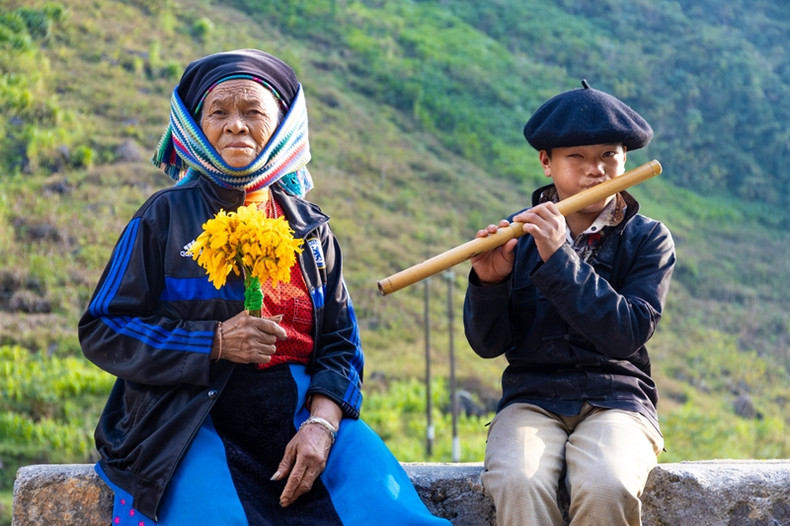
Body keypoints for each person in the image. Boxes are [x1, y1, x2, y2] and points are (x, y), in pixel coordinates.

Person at [79, 48, 450, 526]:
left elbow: (340, 344)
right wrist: (213, 342)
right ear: (196, 126)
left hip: (301, 412)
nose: (236, 125)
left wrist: (322, 425)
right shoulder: (163, 218)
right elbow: (103, 327)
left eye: (253, 111)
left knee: (393, 515)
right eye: (219, 112)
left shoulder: (310, 229)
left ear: (281, 126)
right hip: (187, 418)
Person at [463, 80, 676, 526]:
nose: (595, 170)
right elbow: (487, 344)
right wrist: (489, 283)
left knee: (606, 485)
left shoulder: (649, 239)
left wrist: (559, 258)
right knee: (518, 482)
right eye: (576, 157)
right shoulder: (516, 236)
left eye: (608, 155)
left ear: (625, 158)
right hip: (531, 398)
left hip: (618, 398)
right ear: (546, 162)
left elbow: (626, 334)